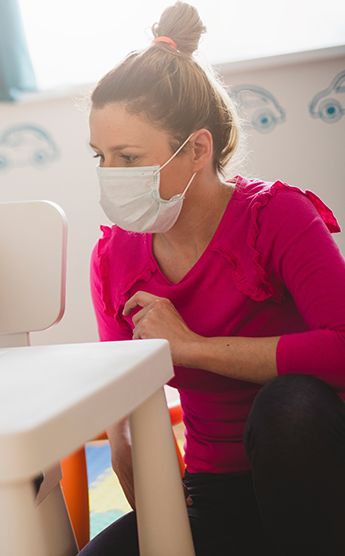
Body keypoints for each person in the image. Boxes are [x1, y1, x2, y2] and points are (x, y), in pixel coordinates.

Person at [82, 3, 345, 555]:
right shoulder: (114, 258)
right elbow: (125, 412)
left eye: (128, 157)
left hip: (318, 477)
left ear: (197, 149)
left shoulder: (275, 216)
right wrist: (166, 525)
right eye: (101, 157)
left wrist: (194, 349)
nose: (111, 175)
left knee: (289, 407)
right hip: (213, 496)